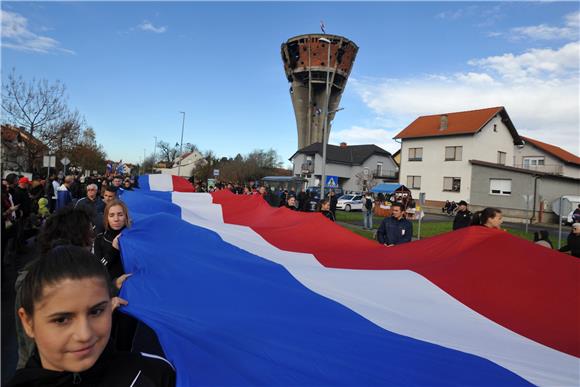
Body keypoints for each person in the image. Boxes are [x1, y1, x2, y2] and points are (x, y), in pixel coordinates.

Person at [7, 245, 176, 387]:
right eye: (61, 320)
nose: (85, 334)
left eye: (96, 312)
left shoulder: (153, 374)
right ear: (28, 323)